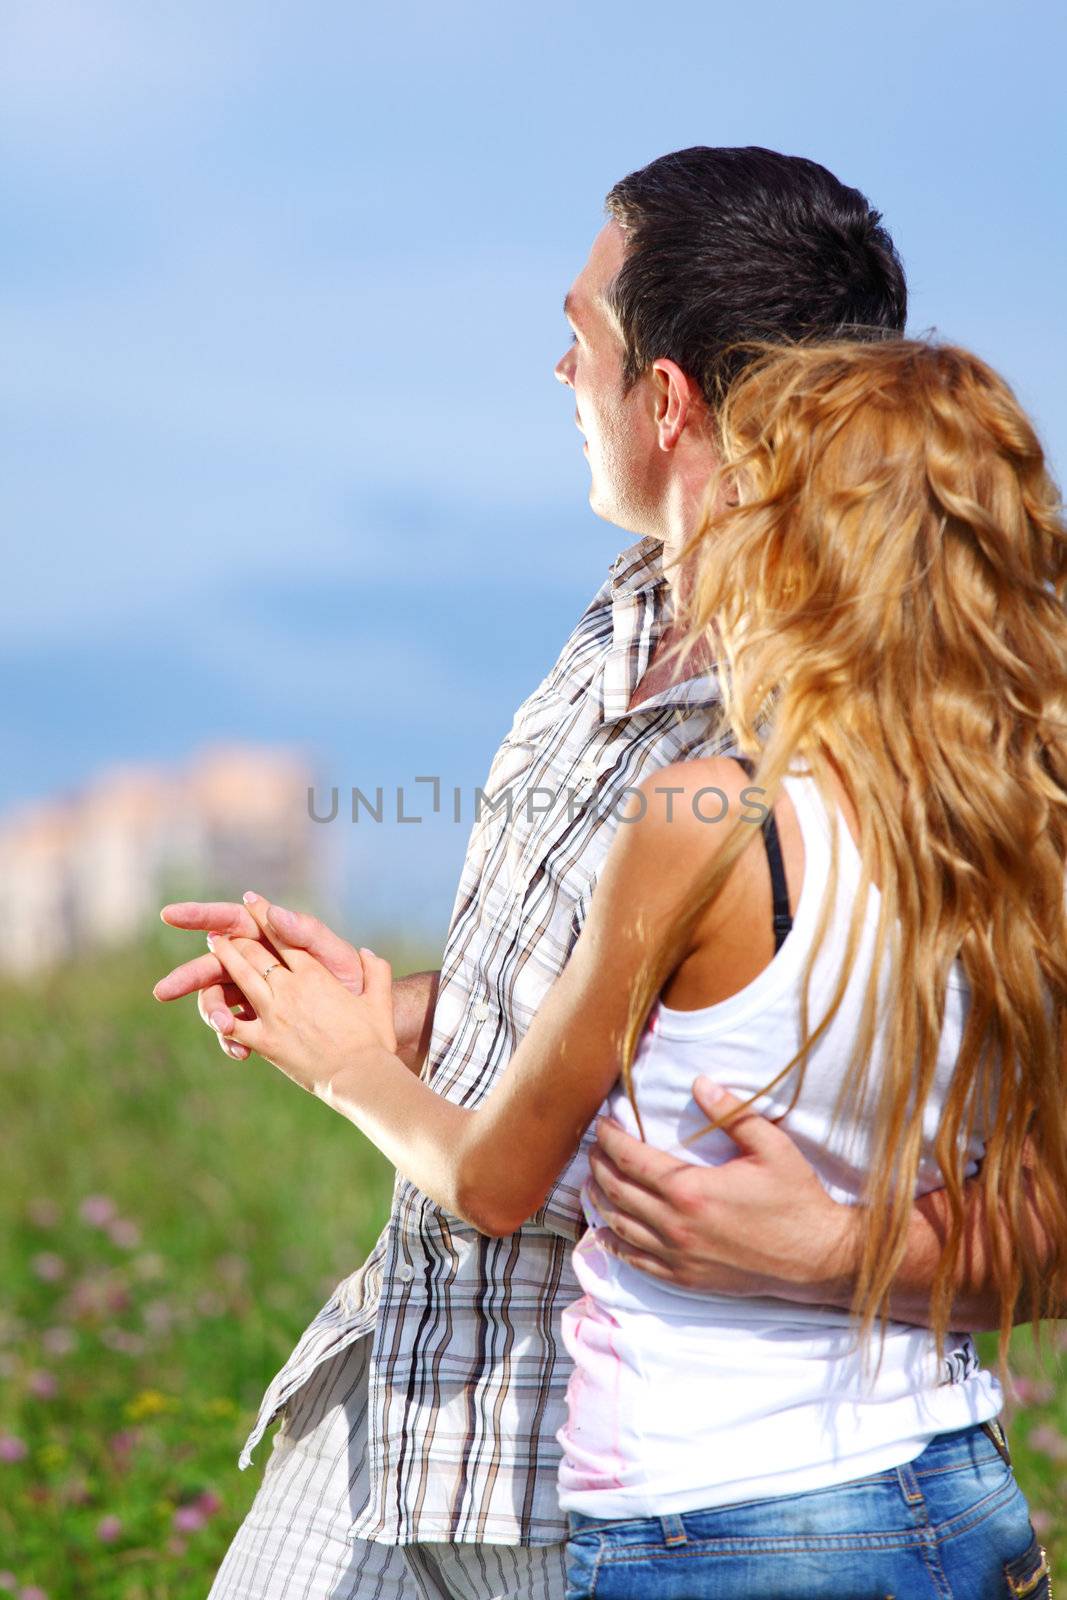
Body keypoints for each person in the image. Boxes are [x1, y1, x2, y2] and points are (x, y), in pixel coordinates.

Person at [152, 148, 1044, 1598]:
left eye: (581, 333)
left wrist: (833, 1251)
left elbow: (1026, 1192)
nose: (554, 366)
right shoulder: (617, 628)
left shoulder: (898, 748)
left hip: (623, 1489)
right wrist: (393, 1014)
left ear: (671, 397)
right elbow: (646, 1026)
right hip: (411, 1405)